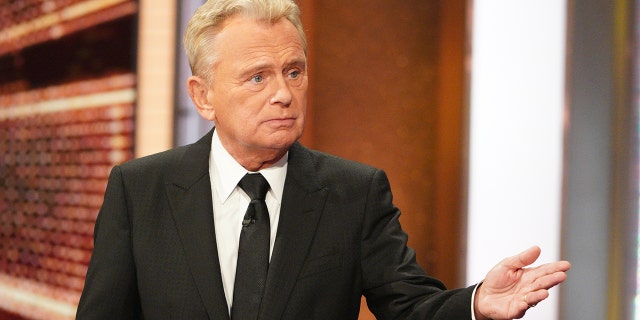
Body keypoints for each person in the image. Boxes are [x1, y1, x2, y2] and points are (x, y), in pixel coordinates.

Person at [75, 0, 570, 319]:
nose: (284, 94)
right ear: (202, 97)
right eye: (257, 77)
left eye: (294, 71)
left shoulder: (354, 193)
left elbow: (410, 305)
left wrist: (477, 304)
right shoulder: (140, 191)